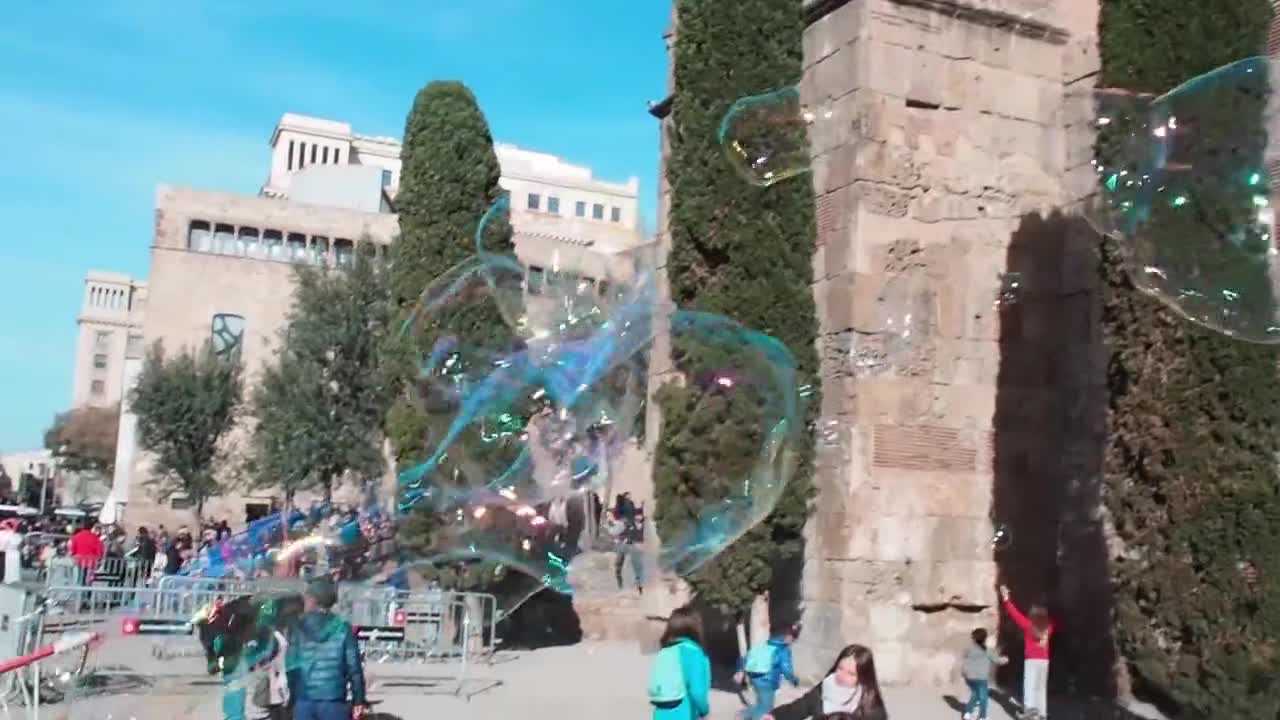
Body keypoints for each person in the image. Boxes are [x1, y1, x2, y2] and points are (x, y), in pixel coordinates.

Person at [287, 577, 369, 720]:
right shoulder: (342, 628)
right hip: (333, 699)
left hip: (304, 698)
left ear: (312, 600)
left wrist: (292, 697)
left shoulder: (298, 627)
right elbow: (354, 668)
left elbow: (291, 667)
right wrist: (358, 700)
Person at [763, 644, 887, 720]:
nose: (842, 676)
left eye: (851, 673)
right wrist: (775, 716)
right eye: (840, 668)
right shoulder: (825, 687)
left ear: (863, 678)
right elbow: (798, 708)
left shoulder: (872, 708)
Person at [999, 585, 1054, 719]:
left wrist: (1006, 598)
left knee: (1029, 686)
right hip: (1044, 660)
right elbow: (1053, 620)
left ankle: (1029, 712)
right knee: (1041, 688)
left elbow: (1014, 613)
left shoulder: (1028, 625)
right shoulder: (1050, 626)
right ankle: (1042, 714)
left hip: (1031, 659)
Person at [648, 605, 711, 720]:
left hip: (660, 714)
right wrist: (705, 711)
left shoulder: (665, 652)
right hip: (685, 714)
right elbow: (697, 691)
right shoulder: (693, 652)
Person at [736, 624, 801, 720]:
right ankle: (744, 715)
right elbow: (786, 669)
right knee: (766, 710)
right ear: (793, 638)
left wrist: (741, 670)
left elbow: (748, 657)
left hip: (755, 677)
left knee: (761, 704)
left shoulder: (769, 643)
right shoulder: (783, 650)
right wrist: (794, 680)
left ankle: (744, 715)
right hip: (767, 681)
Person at [960, 628, 1007, 720]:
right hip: (981, 678)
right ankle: (983, 716)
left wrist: (964, 672)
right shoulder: (987, 650)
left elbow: (964, 659)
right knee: (983, 698)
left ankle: (968, 713)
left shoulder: (969, 649)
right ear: (985, 638)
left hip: (969, 677)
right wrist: (1005, 659)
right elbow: (997, 660)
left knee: (975, 694)